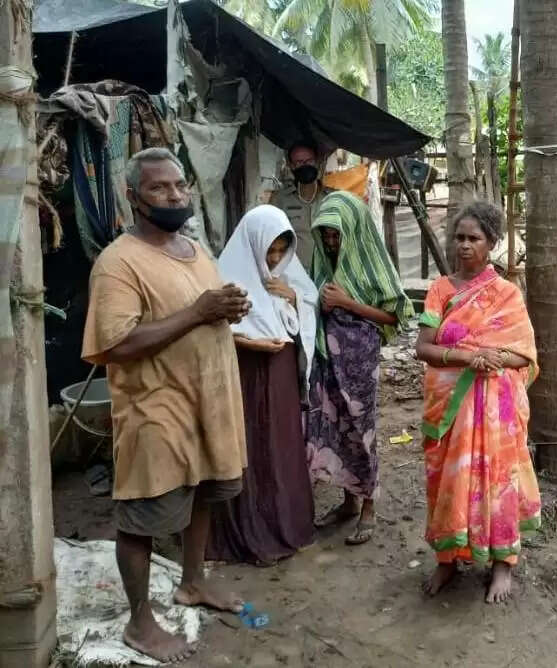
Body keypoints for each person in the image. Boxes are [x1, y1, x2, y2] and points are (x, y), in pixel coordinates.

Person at [81, 148, 249, 663]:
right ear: (134, 197)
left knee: (204, 492)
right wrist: (200, 312)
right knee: (142, 517)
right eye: (160, 188)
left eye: (179, 185)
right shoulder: (118, 262)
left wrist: (227, 308)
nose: (175, 195)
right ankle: (139, 622)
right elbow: (117, 345)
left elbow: (200, 310)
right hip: (157, 408)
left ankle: (193, 582)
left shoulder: (194, 249)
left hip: (209, 402)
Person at [415, 201, 542, 604]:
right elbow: (423, 347)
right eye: (460, 237)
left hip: (495, 413)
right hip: (449, 407)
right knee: (447, 481)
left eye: (475, 238)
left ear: (491, 244)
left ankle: (503, 562)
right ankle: (448, 559)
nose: (465, 245)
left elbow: (524, 354)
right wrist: (470, 357)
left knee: (499, 482)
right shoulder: (440, 289)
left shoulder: (505, 294)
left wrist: (491, 359)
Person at [207, 205, 319, 565]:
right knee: (249, 445)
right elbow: (211, 329)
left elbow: (306, 312)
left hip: (280, 370)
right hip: (244, 370)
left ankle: (285, 525)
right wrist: (249, 342)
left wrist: (294, 298)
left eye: (279, 251)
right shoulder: (226, 276)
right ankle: (249, 530)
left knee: (281, 442)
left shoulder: (288, 274)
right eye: (268, 250)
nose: (273, 259)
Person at [305, 191, 414, 545]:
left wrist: (345, 302)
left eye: (338, 235)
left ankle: (369, 505)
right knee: (333, 428)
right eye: (327, 235)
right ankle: (348, 501)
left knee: (360, 429)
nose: (332, 242)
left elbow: (395, 314)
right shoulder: (322, 264)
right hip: (326, 360)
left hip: (359, 361)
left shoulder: (370, 263)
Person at [270, 140, 330, 266]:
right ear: (291, 166)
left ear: (317, 162)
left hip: (327, 275)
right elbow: (272, 238)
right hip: (294, 276)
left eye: (309, 161)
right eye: (299, 162)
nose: (305, 165)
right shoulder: (280, 200)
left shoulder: (333, 198)